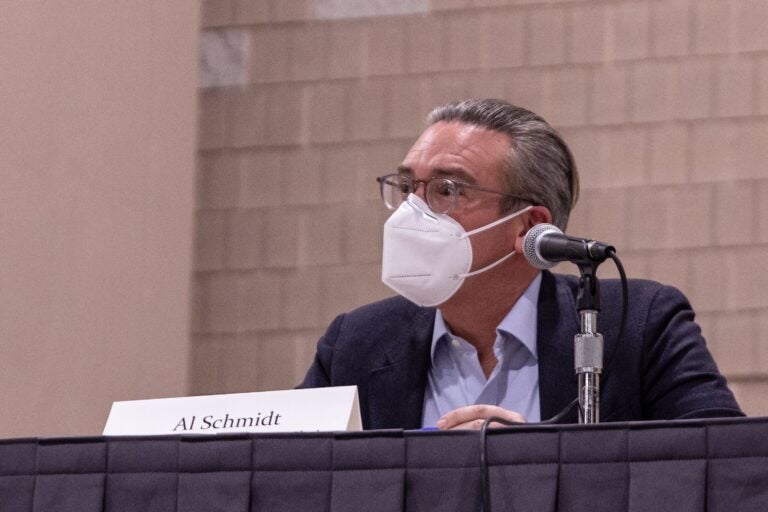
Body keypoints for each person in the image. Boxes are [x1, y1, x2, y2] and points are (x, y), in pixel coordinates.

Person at [299, 98, 743, 430]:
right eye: (408, 186)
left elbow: (722, 472)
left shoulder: (639, 325)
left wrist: (534, 467)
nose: (410, 213)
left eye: (448, 190)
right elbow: (279, 478)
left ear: (528, 227)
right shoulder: (355, 344)